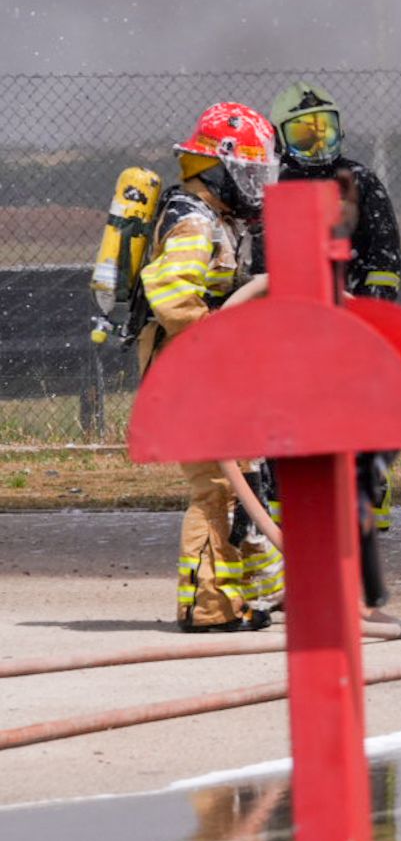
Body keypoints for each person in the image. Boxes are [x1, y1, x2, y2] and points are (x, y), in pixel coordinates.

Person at [137, 103, 281, 632]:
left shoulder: (216, 219)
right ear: (217, 165)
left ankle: (240, 597)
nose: (254, 187)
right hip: (191, 376)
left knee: (241, 486)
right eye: (248, 173)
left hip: (209, 375)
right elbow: (175, 300)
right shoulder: (196, 223)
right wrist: (219, 341)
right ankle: (207, 608)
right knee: (215, 491)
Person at [261, 81, 401, 547]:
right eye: (305, 134)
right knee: (282, 425)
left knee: (358, 421)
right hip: (287, 331)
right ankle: (286, 523)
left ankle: (365, 517)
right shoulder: (270, 182)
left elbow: (384, 257)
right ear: (281, 138)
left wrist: (368, 318)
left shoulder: (359, 180)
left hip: (350, 325)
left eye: (326, 131)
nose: (319, 143)